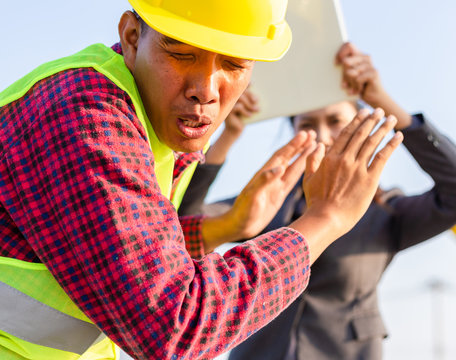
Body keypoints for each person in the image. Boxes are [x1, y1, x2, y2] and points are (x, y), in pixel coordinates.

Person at [0, 2, 403, 360]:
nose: (205, 90)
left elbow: (118, 249)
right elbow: (174, 326)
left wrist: (225, 228)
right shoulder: (87, 118)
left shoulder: (154, 121)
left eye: (234, 65)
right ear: (131, 36)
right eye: (181, 54)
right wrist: (324, 221)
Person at [180, 42, 456, 360]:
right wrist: (227, 133)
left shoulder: (385, 212)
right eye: (308, 125)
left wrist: (381, 101)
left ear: (363, 125)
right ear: (294, 133)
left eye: (337, 121)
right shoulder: (266, 199)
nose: (324, 136)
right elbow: (184, 224)